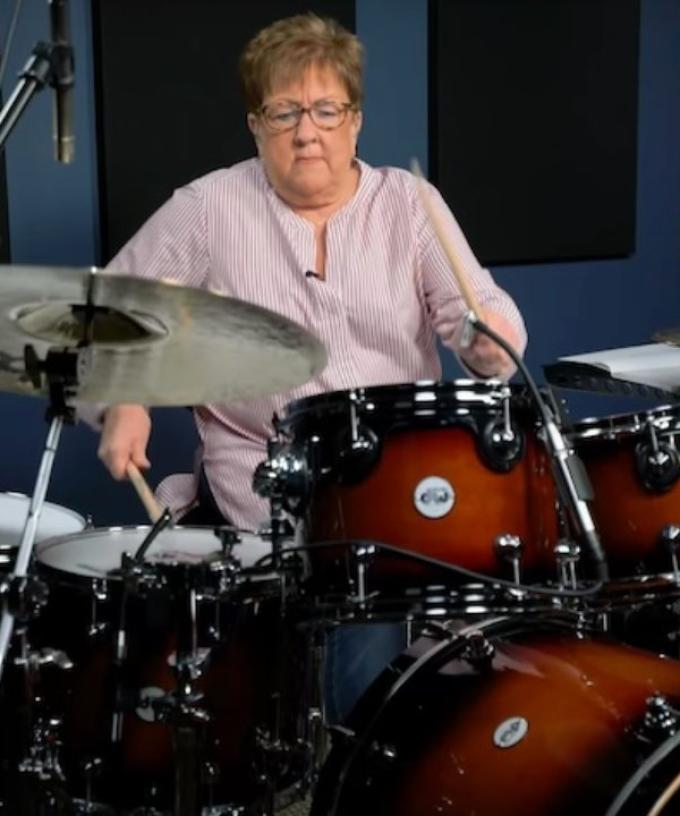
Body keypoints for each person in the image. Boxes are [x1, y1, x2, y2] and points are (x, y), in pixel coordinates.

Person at [91, 13, 527, 723]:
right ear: (254, 126)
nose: (306, 132)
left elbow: (478, 314)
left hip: (400, 497)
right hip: (263, 502)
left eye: (326, 110)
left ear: (355, 121)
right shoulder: (207, 210)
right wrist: (125, 397)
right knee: (333, 667)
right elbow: (103, 316)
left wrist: (489, 343)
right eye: (284, 112)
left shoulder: (409, 204)